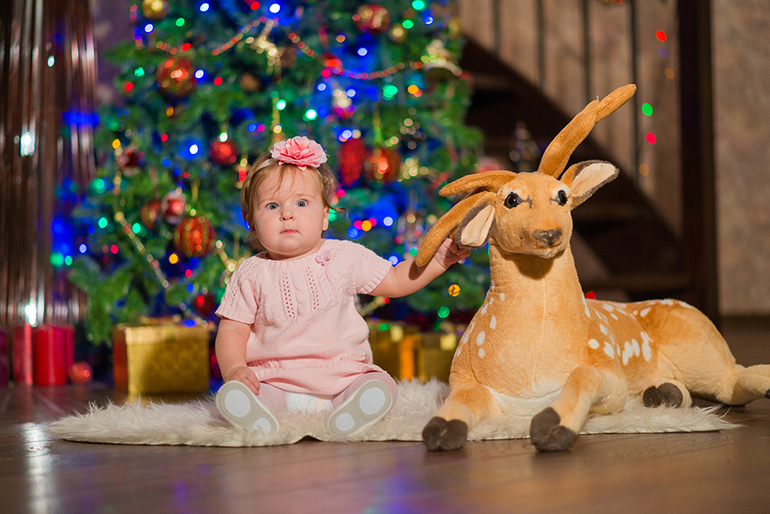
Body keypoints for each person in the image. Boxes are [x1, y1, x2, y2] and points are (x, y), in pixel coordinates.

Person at [214, 136, 469, 437]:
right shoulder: (251, 272)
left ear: (324, 217)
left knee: (380, 384)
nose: (287, 214)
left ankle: (352, 411)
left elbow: (396, 280)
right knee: (255, 391)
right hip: (276, 379)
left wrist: (438, 260)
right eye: (272, 206)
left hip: (343, 376)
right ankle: (256, 412)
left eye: (301, 203)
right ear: (253, 224)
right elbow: (233, 330)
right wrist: (234, 369)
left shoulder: (343, 257)